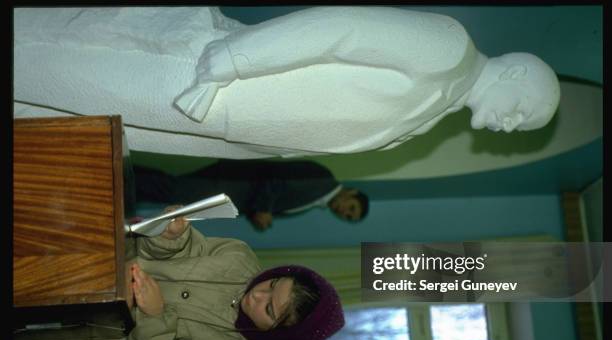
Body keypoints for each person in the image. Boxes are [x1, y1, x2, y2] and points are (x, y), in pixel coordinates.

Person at [14, 7, 560, 159]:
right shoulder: (449, 47)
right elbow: (340, 28)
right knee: (55, 71)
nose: (512, 126)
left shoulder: (434, 117)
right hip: (208, 84)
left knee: (68, 123)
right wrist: (231, 59)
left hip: (220, 129)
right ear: (515, 72)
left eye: (521, 125)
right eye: (523, 111)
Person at [13, 212, 345, 340]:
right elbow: (182, 248)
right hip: (88, 275)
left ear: (278, 339)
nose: (257, 295)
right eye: (272, 284)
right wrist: (172, 236)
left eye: (270, 310)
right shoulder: (239, 256)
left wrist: (156, 319)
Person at [133, 160, 369, 230]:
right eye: (351, 208)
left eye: (348, 217)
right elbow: (276, 176)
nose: (344, 212)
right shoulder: (322, 179)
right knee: (170, 189)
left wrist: (258, 213)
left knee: (169, 190)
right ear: (352, 193)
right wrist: (264, 208)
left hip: (229, 192)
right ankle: (113, 172)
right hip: (230, 182)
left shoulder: (317, 199)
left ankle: (119, 175)